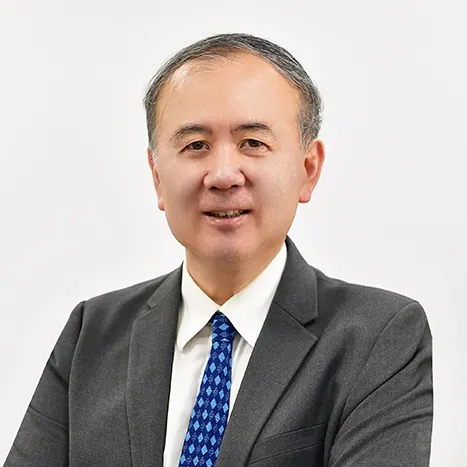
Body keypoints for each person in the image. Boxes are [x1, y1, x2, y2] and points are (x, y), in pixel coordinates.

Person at [3, 33, 433, 467]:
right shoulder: (92, 334)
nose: (224, 175)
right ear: (157, 177)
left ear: (308, 169)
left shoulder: (379, 338)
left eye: (253, 143)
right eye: (196, 146)